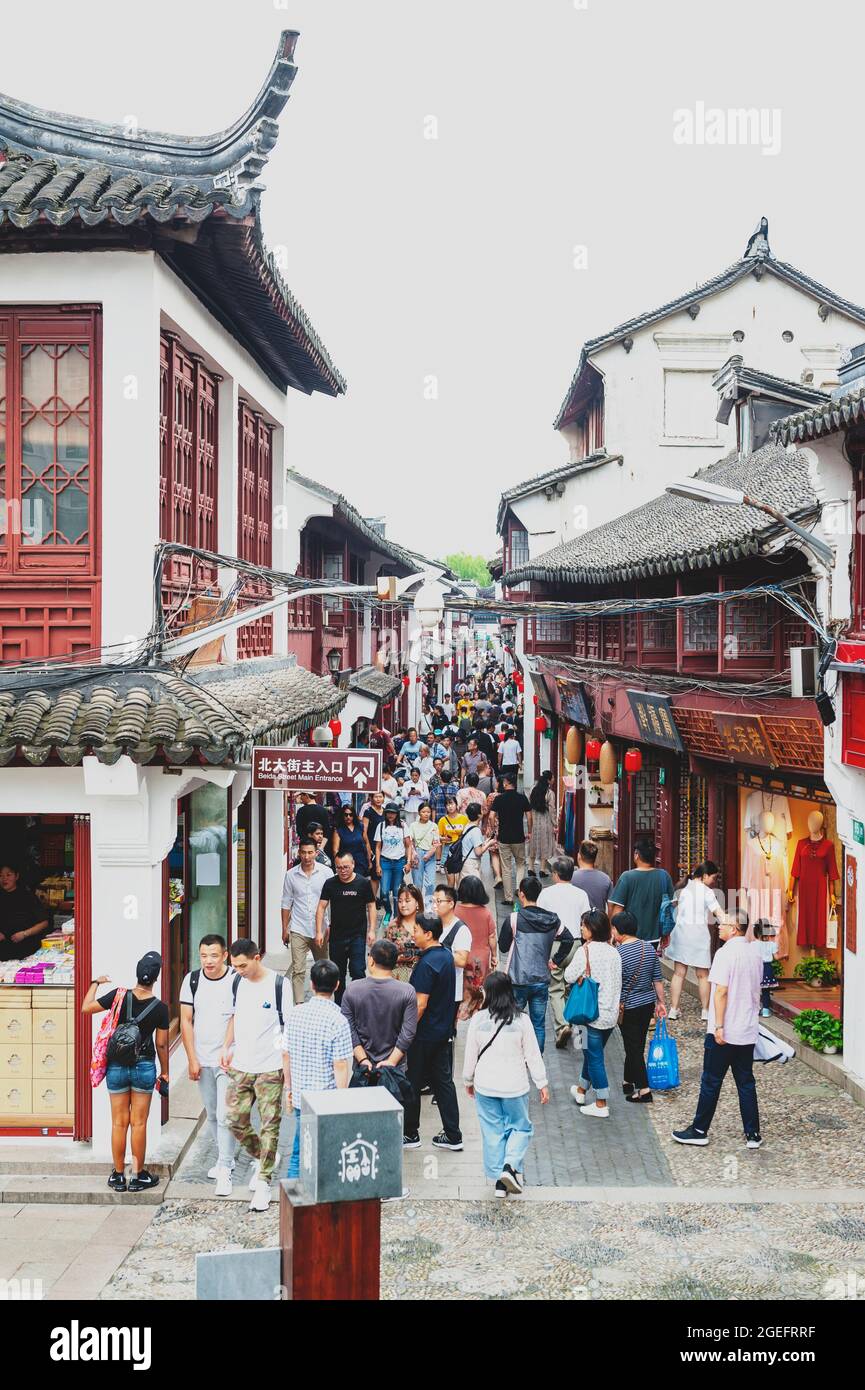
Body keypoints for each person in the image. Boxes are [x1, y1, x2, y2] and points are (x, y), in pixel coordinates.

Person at [672, 912, 763, 1149]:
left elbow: (721, 991)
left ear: (734, 928)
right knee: (745, 1081)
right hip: (747, 1028)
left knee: (711, 1081)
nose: (719, 927)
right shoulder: (755, 953)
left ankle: (699, 1130)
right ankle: (753, 1134)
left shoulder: (725, 954)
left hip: (725, 1029)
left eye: (723, 924)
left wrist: (719, 1026)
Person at [83, 951, 169, 1194]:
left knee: (119, 1122)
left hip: (117, 1066)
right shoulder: (160, 1008)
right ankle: (138, 1175)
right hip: (144, 1066)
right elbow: (162, 1044)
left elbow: (86, 1008)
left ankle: (118, 1176)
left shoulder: (118, 996)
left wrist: (95, 983)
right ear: (156, 978)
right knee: (138, 1123)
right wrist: (165, 1073)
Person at [463, 971, 549, 1197]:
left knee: (493, 1130)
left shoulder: (478, 1020)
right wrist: (542, 1082)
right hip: (515, 1086)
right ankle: (509, 1167)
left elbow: (470, 1054)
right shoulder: (522, 1020)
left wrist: (468, 1080)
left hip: (485, 1085)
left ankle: (500, 1181)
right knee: (520, 1127)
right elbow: (532, 1055)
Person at [221, 939, 288, 1211]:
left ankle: (263, 1182)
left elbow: (288, 1028)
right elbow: (234, 1016)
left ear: (257, 958)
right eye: (235, 966)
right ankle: (264, 1155)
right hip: (240, 1063)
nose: (238, 970)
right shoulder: (237, 982)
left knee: (270, 1124)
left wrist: (288, 1073)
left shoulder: (278, 985)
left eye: (243, 965)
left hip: (270, 1065)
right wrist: (226, 1046)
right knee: (234, 1119)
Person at [282, 959, 353, 1179]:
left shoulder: (295, 1014)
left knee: (300, 1149)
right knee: (326, 1150)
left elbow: (286, 1053)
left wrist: (288, 1088)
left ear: (311, 984)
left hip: (302, 1094)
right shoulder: (338, 1020)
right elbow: (340, 1065)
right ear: (337, 985)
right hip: (327, 1096)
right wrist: (343, 1098)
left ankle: (294, 1200)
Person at [179, 935, 238, 1196]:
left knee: (225, 1114)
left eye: (214, 955)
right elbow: (185, 1021)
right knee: (212, 1113)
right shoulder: (191, 980)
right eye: (204, 956)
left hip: (228, 1059)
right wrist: (192, 1058)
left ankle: (224, 1166)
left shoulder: (236, 979)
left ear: (225, 955)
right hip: (202, 1058)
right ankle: (226, 1155)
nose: (209, 961)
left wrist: (227, 1047)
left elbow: (238, 1016)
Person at [404, 914, 463, 1151]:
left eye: (416, 930)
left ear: (428, 934)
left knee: (412, 1082)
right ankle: (453, 1135)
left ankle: (410, 1133)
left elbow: (420, 1004)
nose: (413, 933)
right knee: (444, 1083)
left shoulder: (428, 964)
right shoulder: (445, 956)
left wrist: (406, 1030)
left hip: (423, 1034)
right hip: (442, 1032)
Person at [497, 875, 571, 1053]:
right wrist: (555, 961)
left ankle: (514, 1055)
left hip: (517, 980)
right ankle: (536, 1060)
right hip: (541, 980)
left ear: (521, 894)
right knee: (538, 1024)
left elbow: (503, 947)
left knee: (513, 1021)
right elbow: (568, 939)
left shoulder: (514, 919)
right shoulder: (553, 920)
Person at [565, 910, 622, 1118]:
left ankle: (600, 1103)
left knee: (594, 1057)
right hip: (610, 1015)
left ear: (592, 929)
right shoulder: (614, 952)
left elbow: (568, 976)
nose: (581, 928)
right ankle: (581, 1090)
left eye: (584, 925)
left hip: (588, 1015)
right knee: (592, 1054)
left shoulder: (585, 951)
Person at [613, 910, 667, 1102]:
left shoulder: (618, 953)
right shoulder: (648, 948)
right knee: (637, 1043)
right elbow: (657, 979)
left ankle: (644, 1090)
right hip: (646, 1005)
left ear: (620, 931)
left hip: (627, 1007)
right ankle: (628, 1081)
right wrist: (661, 1003)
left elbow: (614, 983)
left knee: (633, 1047)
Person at [342, 938, 418, 1075]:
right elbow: (408, 1032)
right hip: (395, 1068)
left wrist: (363, 1059)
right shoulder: (407, 991)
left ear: (371, 961)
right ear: (395, 964)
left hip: (363, 1068)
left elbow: (348, 1030)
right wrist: (392, 1061)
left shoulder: (352, 989)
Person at [538, 856, 591, 1049]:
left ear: (555, 874)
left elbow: (542, 922)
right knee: (577, 986)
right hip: (577, 944)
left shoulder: (546, 894)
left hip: (555, 944)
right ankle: (580, 1035)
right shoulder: (581, 894)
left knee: (555, 987)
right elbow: (585, 919)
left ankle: (562, 1027)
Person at [666, 860, 725, 1022]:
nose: (713, 882)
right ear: (705, 876)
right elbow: (718, 912)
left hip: (681, 934)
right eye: (713, 878)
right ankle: (705, 1011)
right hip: (698, 935)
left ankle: (673, 1009)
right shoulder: (707, 892)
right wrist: (730, 922)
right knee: (702, 974)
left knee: (679, 973)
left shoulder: (682, 889)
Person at [316, 851, 377, 1002]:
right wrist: (319, 931)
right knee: (337, 973)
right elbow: (321, 907)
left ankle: (359, 1003)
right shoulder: (330, 883)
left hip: (357, 935)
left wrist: (372, 930)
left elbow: (371, 906)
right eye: (339, 868)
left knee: (358, 971)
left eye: (346, 867)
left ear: (353, 865)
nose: (342, 871)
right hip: (337, 936)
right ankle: (340, 1005)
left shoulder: (363, 883)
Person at [281, 838, 331, 1006]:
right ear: (299, 853)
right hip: (298, 927)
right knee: (298, 970)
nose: (307, 856)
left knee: (323, 967)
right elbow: (286, 902)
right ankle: (299, 1005)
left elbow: (332, 902)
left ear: (316, 853)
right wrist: (284, 929)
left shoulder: (326, 873)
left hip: (321, 929)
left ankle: (324, 1003)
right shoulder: (291, 875)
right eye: (304, 852)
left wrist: (330, 925)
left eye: (310, 852)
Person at [608, 839, 675, 945]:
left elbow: (618, 908)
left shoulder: (627, 877)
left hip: (629, 937)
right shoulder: (664, 876)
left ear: (636, 855)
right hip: (655, 936)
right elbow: (672, 905)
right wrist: (667, 933)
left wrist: (613, 931)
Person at [455, 875, 498, 1020]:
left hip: (461, 956)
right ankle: (476, 1016)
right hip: (481, 959)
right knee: (479, 991)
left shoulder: (455, 911)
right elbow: (492, 937)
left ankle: (459, 1015)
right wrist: (494, 956)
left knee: (460, 990)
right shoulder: (485, 913)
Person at [432, 885, 473, 1028]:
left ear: (451, 904)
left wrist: (436, 948)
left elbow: (462, 960)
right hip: (431, 989)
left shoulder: (461, 930)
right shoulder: (433, 925)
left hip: (449, 993)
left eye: (439, 901)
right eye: (433, 901)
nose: (434, 905)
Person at [492, 773, 532, 904]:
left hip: (504, 837)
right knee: (521, 864)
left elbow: (492, 816)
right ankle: (519, 890)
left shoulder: (499, 799)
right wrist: (530, 831)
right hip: (519, 837)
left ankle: (508, 898)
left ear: (506, 783)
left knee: (506, 868)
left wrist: (495, 830)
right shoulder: (522, 798)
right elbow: (529, 816)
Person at [0, 862, 48, 959]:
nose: (4, 879)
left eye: (8, 875)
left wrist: (25, 934)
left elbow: (44, 922)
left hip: (27, 950)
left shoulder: (28, 896)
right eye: (0, 875)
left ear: (17, 876)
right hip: (3, 951)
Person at [374, 802, 412, 922]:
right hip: (385, 862)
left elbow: (408, 845)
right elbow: (378, 847)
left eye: (393, 813)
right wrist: (378, 865)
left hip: (399, 862)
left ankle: (396, 916)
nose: (390, 815)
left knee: (396, 892)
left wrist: (408, 862)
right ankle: (388, 911)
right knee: (384, 892)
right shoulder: (381, 826)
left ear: (397, 814)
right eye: (388, 812)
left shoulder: (403, 826)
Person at [385, 883, 425, 982]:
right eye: (400, 901)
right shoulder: (393, 926)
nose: (403, 905)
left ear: (417, 903)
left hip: (422, 976)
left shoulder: (426, 925)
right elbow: (384, 955)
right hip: (398, 978)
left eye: (407, 901)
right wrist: (400, 958)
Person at [457, 801, 497, 891]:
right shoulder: (476, 830)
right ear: (479, 815)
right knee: (473, 892)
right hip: (471, 864)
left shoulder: (467, 826)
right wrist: (489, 844)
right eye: (481, 810)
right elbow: (478, 852)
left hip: (465, 862)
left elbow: (473, 844)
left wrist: (486, 842)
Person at [409, 801, 440, 906]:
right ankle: (418, 904)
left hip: (430, 855)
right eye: (423, 812)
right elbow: (410, 841)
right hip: (417, 854)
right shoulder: (413, 825)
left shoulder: (434, 826)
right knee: (417, 883)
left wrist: (429, 854)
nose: (426, 814)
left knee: (431, 883)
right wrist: (413, 853)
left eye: (428, 812)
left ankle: (429, 905)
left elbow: (436, 843)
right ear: (419, 813)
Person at [528, 771, 556, 876]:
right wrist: (555, 823)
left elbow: (529, 806)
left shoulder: (533, 790)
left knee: (533, 843)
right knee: (545, 843)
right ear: (548, 780)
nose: (553, 779)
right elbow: (552, 810)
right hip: (546, 822)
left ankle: (530, 867)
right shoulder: (550, 793)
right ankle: (542, 869)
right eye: (552, 778)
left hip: (534, 821)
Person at [572, 840, 612, 913]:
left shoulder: (571, 878)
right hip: (598, 922)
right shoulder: (605, 879)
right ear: (595, 858)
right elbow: (611, 906)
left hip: (578, 922)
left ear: (579, 856)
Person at [438, 795, 469, 886]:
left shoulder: (464, 819)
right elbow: (437, 837)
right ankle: (451, 899)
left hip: (460, 850)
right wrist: (444, 838)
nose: (450, 806)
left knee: (459, 880)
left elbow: (467, 834)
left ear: (456, 805)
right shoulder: (443, 820)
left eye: (451, 803)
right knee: (450, 882)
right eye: (447, 805)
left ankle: (459, 898)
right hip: (448, 850)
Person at [361, 792, 386, 905]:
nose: (378, 799)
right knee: (375, 876)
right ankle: (373, 899)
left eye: (380, 796)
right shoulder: (368, 812)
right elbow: (364, 831)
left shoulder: (386, 811)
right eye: (376, 797)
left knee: (384, 873)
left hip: (385, 846)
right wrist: (368, 847)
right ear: (371, 798)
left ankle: (383, 897)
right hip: (372, 845)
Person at [752, 919, 778, 1017]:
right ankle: (766, 1011)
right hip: (767, 968)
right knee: (766, 991)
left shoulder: (753, 944)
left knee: (755, 990)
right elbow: (776, 957)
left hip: (756, 967)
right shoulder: (772, 945)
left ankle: (756, 1009)